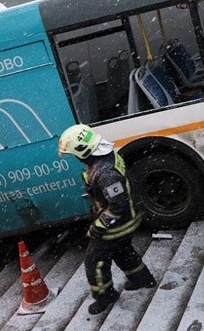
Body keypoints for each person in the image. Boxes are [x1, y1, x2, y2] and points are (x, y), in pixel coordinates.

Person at [58, 124, 156, 315]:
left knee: (94, 261)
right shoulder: (107, 158)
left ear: (83, 151)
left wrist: (99, 227)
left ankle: (105, 296)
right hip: (130, 217)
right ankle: (142, 278)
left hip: (118, 224)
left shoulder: (105, 173)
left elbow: (118, 204)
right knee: (122, 251)